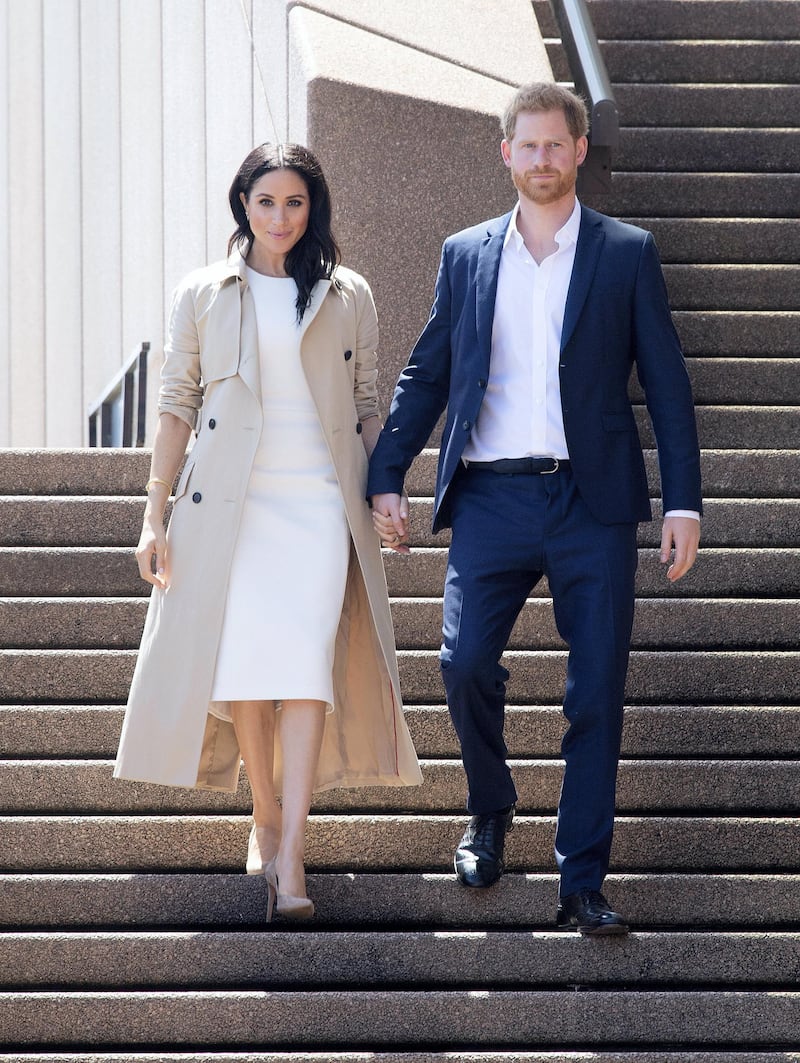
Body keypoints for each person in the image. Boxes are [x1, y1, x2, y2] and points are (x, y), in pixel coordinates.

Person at [368, 83, 701, 935]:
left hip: (593, 504)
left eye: (558, 145)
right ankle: (491, 809)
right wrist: (386, 472)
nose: (544, 160)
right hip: (491, 495)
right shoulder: (467, 254)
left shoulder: (626, 252)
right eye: (530, 146)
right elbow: (427, 373)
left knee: (596, 692)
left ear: (579, 151)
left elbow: (665, 383)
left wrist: (684, 501)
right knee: (463, 662)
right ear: (506, 152)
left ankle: (582, 878)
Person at [115, 142, 421, 921]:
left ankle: (292, 853)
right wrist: (155, 511)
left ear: (312, 208)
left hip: (319, 502)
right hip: (230, 506)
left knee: (304, 667)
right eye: (265, 202)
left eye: (295, 203)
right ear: (242, 205)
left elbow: (365, 403)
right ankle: (265, 815)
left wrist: (384, 488)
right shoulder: (204, 292)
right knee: (249, 667)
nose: (280, 217)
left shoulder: (347, 291)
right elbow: (177, 402)